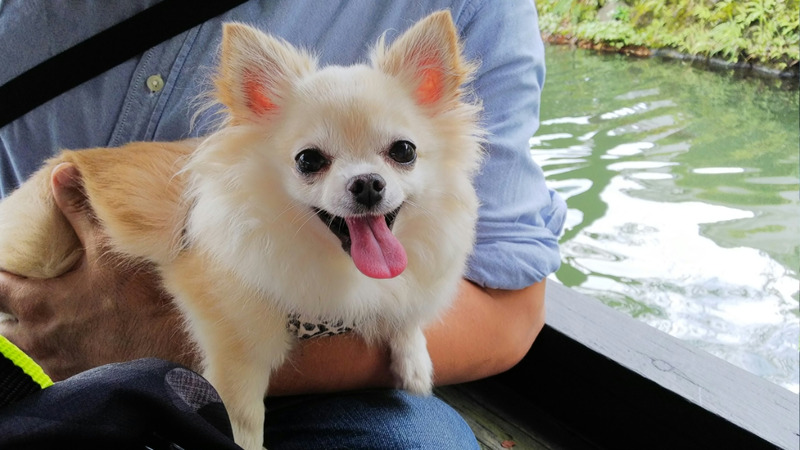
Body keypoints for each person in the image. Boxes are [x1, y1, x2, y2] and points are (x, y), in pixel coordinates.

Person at [0, 1, 566, 448]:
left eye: (399, 153)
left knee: (416, 440)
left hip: (305, 386)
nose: (367, 181)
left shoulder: (475, 10)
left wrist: (157, 338)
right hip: (28, 298)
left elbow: (511, 307)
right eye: (312, 161)